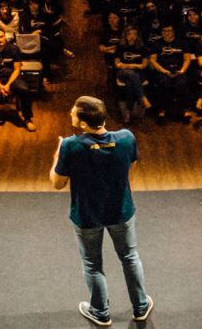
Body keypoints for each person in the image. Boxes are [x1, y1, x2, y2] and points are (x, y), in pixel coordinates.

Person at [51, 96, 152, 326]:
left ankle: (100, 312)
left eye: (73, 112)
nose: (70, 114)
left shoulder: (70, 145)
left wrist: (57, 157)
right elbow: (130, 167)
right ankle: (141, 306)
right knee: (130, 257)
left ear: (84, 123)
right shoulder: (127, 138)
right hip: (121, 211)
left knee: (92, 264)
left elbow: (57, 183)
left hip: (87, 216)